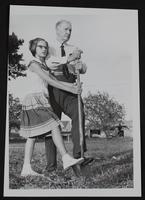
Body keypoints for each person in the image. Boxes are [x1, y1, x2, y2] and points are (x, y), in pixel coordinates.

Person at [19, 37, 84, 176]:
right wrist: (72, 89)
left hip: (42, 99)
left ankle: (26, 168)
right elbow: (49, 80)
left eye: (45, 47)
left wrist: (72, 86)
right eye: (40, 47)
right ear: (34, 49)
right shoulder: (33, 63)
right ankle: (66, 157)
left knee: (31, 136)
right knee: (54, 125)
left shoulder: (44, 65)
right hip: (33, 99)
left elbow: (53, 79)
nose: (44, 49)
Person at [44, 19, 94, 174]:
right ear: (57, 29)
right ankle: (51, 167)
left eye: (70, 30)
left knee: (79, 116)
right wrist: (69, 59)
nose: (69, 32)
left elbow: (83, 67)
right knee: (51, 126)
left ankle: (79, 156)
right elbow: (50, 64)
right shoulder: (48, 47)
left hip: (71, 89)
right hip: (53, 89)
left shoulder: (74, 48)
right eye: (66, 29)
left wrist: (81, 66)